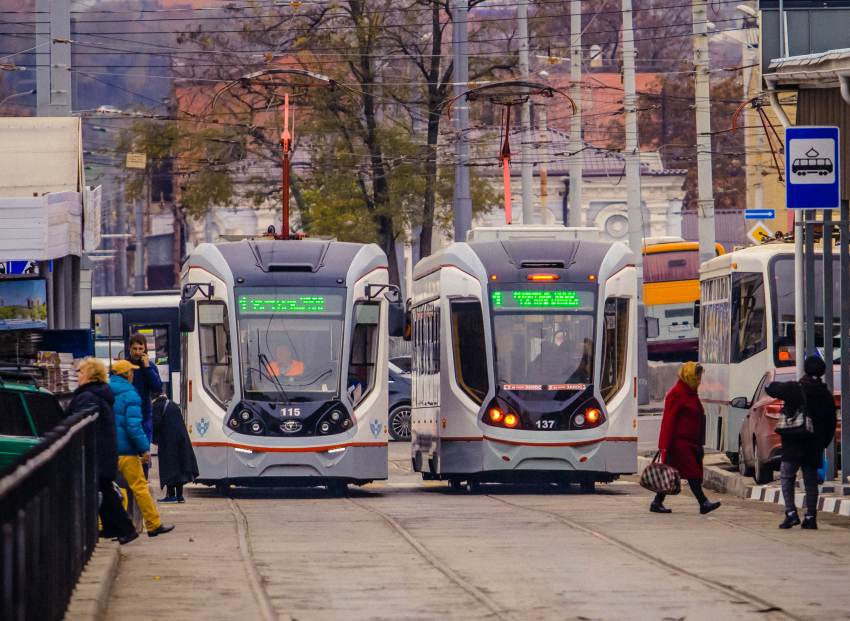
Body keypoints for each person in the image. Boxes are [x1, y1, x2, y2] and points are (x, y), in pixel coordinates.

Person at [67, 358, 138, 545]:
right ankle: (116, 529)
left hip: (96, 454)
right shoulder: (97, 394)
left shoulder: (88, 396)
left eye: (81, 372)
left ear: (90, 375)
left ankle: (125, 529)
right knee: (105, 492)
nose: (77, 375)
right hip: (103, 453)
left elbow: (75, 422)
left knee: (105, 493)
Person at [765, 355, 837, 530]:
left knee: (787, 477)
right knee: (811, 482)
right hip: (814, 444)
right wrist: (822, 444)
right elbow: (831, 424)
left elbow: (771, 388)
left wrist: (788, 383)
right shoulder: (826, 395)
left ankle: (791, 514)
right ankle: (811, 517)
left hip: (793, 442)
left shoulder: (794, 388)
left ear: (804, 370)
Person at [109, 360, 174, 538]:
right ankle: (153, 524)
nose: (133, 374)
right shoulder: (131, 395)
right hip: (127, 451)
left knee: (109, 488)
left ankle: (114, 527)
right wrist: (144, 449)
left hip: (108, 450)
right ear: (127, 374)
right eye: (132, 372)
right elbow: (134, 427)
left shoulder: (105, 391)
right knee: (140, 488)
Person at [651, 361, 721, 515]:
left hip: (691, 443)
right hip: (679, 444)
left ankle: (657, 502)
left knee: (671, 475)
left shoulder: (691, 394)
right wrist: (664, 446)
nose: (698, 381)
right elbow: (669, 420)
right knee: (692, 474)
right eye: (696, 378)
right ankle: (703, 503)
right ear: (689, 377)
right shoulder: (676, 393)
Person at [152, 391, 199, 503]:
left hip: (168, 442)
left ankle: (171, 494)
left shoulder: (156, 406)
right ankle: (180, 495)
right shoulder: (172, 404)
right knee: (180, 467)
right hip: (182, 441)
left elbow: (155, 424)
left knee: (169, 467)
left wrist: (153, 438)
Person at [127, 333, 162, 444]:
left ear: (145, 349)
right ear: (129, 348)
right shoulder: (123, 365)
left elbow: (157, 387)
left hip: (144, 416)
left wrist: (147, 367)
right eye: (135, 348)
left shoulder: (150, 366)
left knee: (145, 454)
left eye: (141, 349)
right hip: (127, 417)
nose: (137, 352)